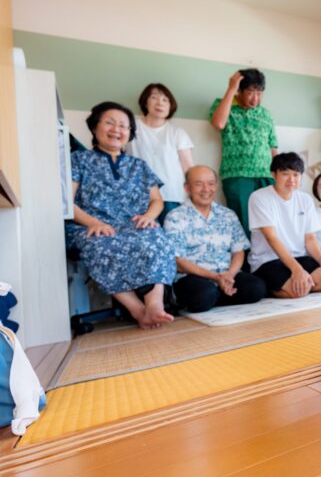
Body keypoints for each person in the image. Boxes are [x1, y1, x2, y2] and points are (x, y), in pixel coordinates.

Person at [65, 101, 177, 330]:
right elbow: (66, 202)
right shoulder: (78, 160)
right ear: (95, 128)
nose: (117, 129)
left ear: (129, 134)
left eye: (124, 126)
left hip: (132, 224)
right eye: (109, 123)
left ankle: (154, 303)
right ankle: (138, 311)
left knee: (156, 237)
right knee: (101, 244)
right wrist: (94, 222)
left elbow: (157, 200)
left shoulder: (140, 166)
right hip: (90, 225)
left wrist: (148, 216)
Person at [164, 165, 267, 312]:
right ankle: (211, 296)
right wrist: (215, 277)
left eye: (211, 184)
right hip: (192, 276)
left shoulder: (228, 214)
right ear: (187, 188)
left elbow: (238, 251)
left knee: (257, 288)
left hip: (227, 274)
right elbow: (178, 261)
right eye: (199, 184)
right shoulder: (175, 217)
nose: (206, 189)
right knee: (204, 294)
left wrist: (229, 275)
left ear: (216, 186)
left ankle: (217, 295)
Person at [248, 152, 321, 298]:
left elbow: (310, 239)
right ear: (274, 174)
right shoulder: (259, 197)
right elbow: (272, 238)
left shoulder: (305, 199)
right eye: (285, 174)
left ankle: (300, 283)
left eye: (296, 175)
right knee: (297, 291)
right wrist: (297, 270)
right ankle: (274, 287)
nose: (291, 180)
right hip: (268, 260)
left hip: (299, 256)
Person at [210, 68, 278, 232]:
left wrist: (278, 175)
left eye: (259, 93)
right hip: (237, 175)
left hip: (266, 175)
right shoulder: (224, 105)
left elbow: (273, 146)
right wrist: (231, 88)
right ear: (239, 90)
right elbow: (219, 123)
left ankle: (269, 257)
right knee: (244, 224)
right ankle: (246, 258)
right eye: (250, 92)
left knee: (270, 223)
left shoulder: (265, 114)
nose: (255, 98)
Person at [127, 83, 194, 225]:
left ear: (170, 106)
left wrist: (193, 193)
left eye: (165, 100)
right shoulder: (131, 128)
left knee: (172, 237)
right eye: (154, 97)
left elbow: (188, 167)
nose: (160, 103)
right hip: (139, 195)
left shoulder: (177, 133)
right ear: (145, 102)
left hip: (172, 195)